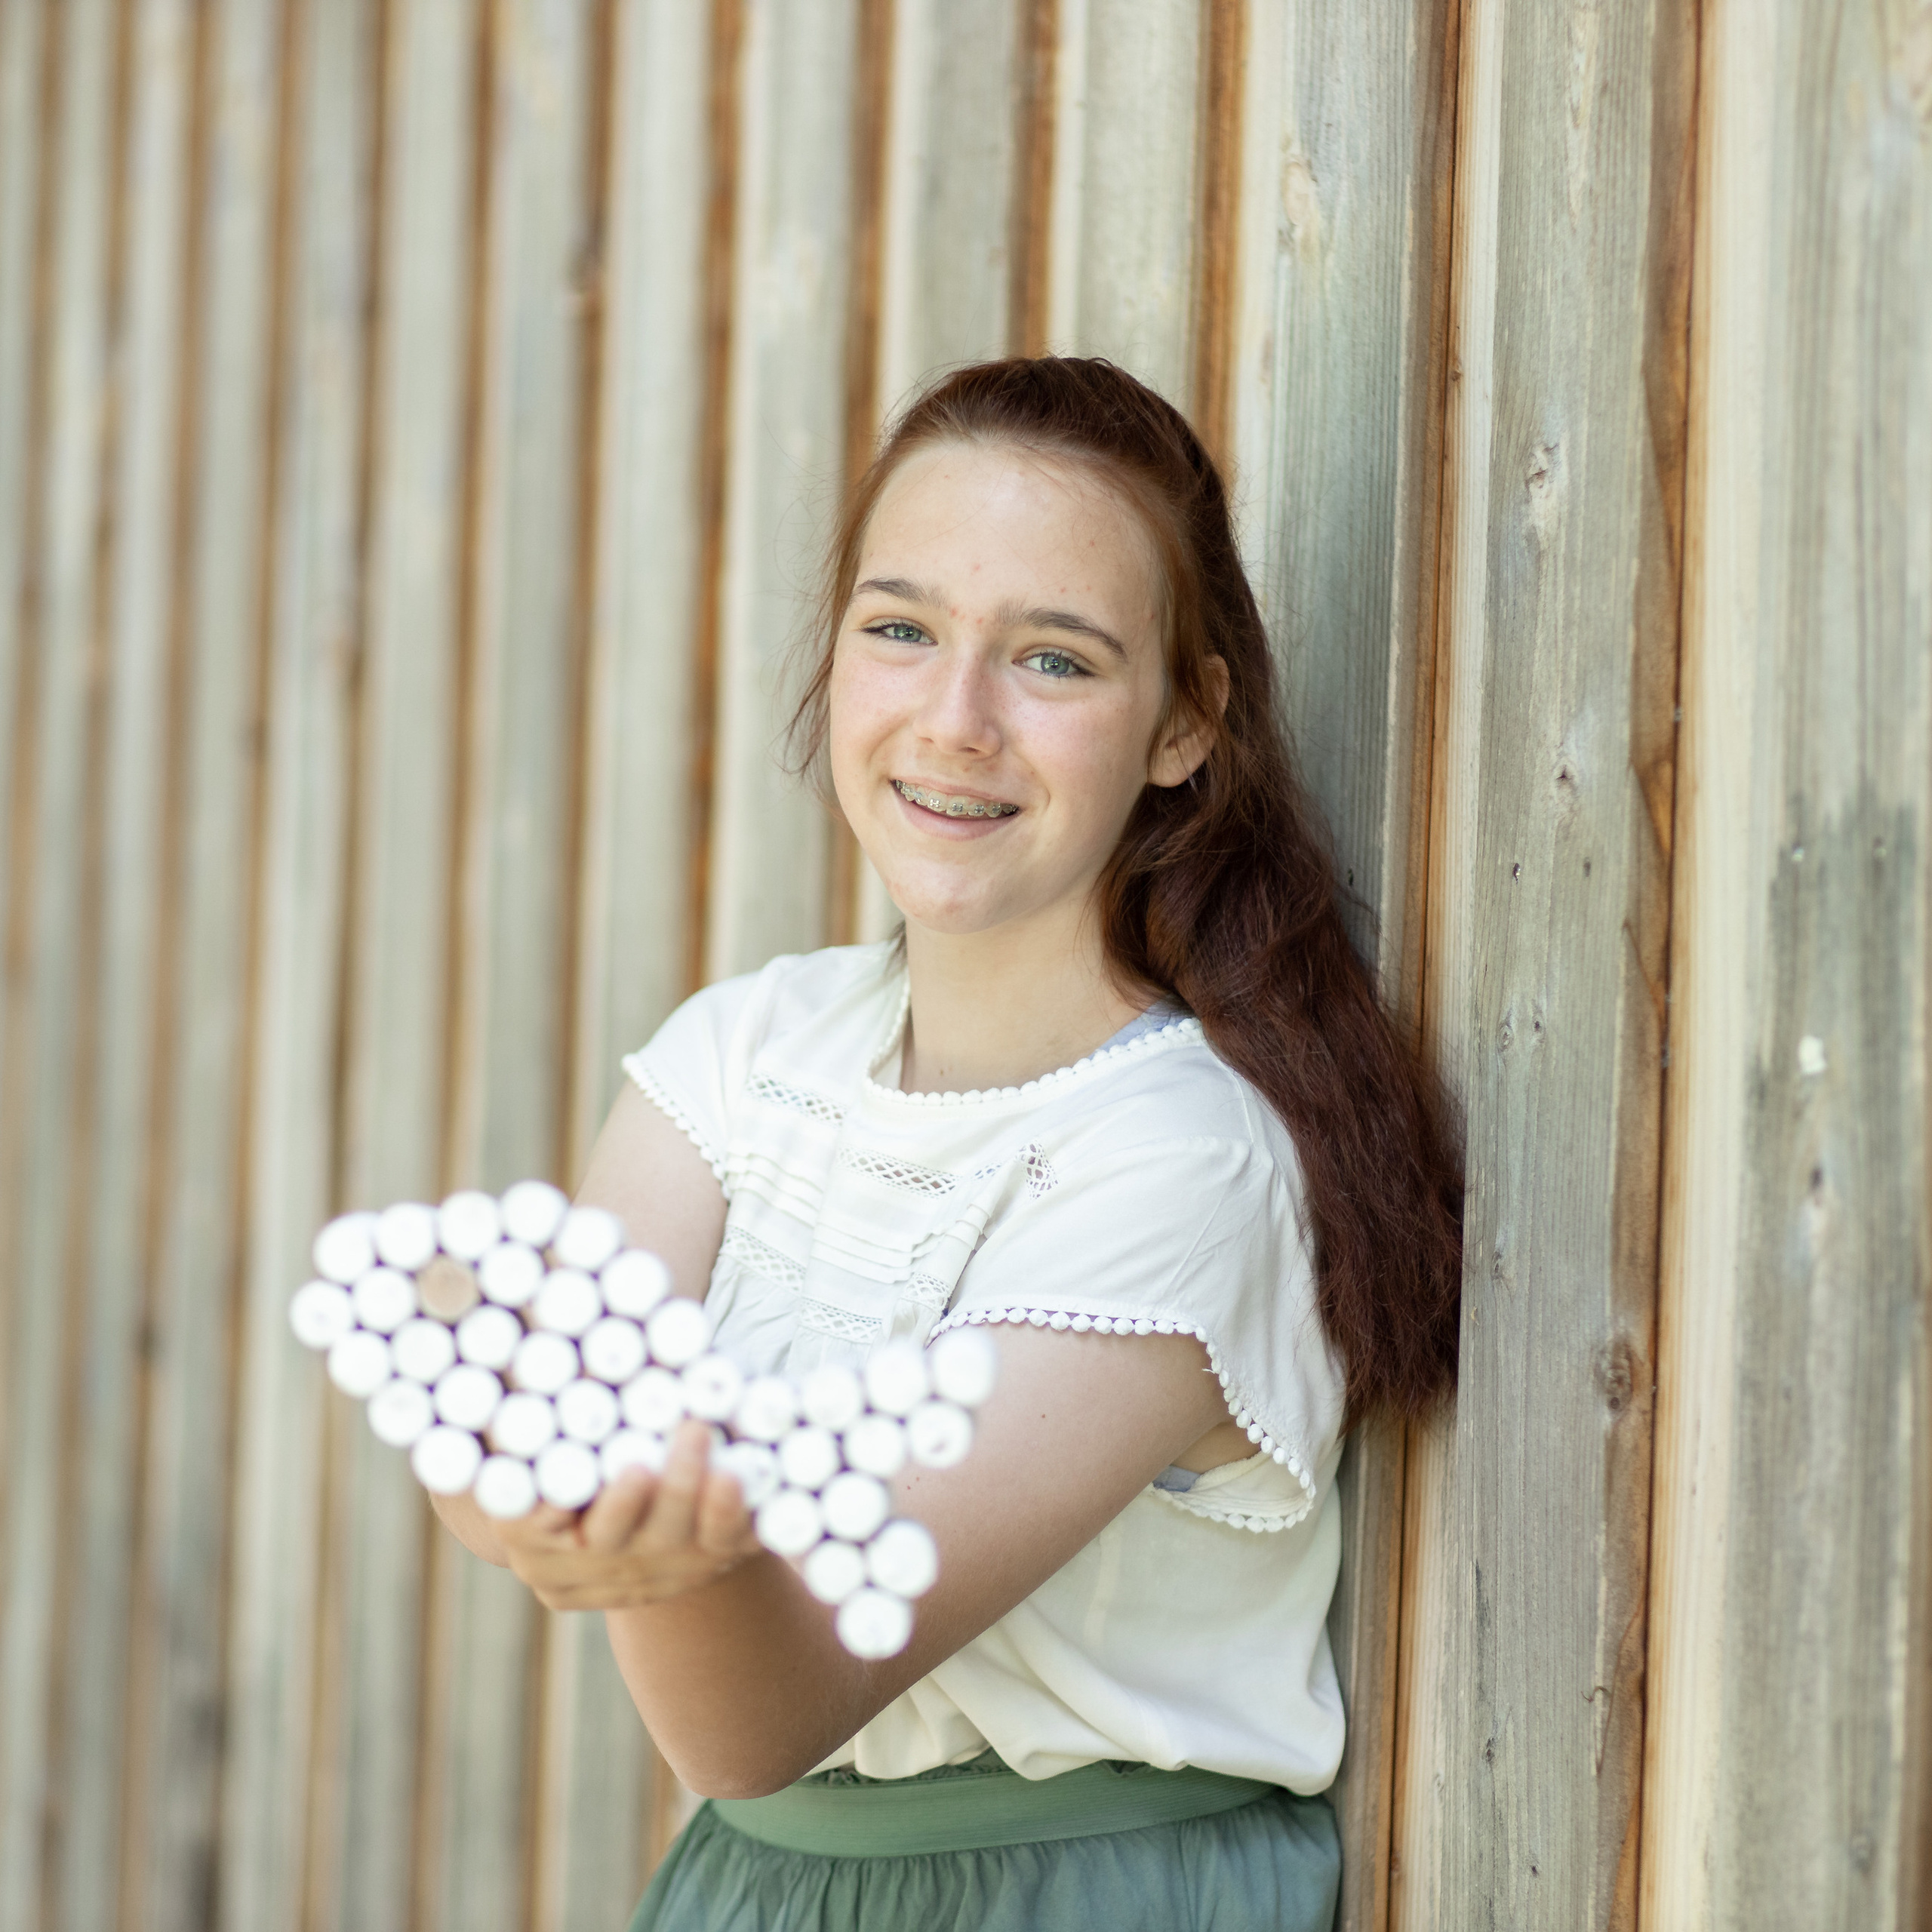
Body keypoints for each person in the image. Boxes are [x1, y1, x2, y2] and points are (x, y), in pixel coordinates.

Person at [431, 355, 1462, 1930]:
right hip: (754, 1889)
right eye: (900, 629)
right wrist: (505, 1420)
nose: (955, 719)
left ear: (1185, 723)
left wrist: (624, 1513)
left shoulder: (1183, 1160)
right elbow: (531, 1420)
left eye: (1051, 659)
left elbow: (751, 1712)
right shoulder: (746, 1053)